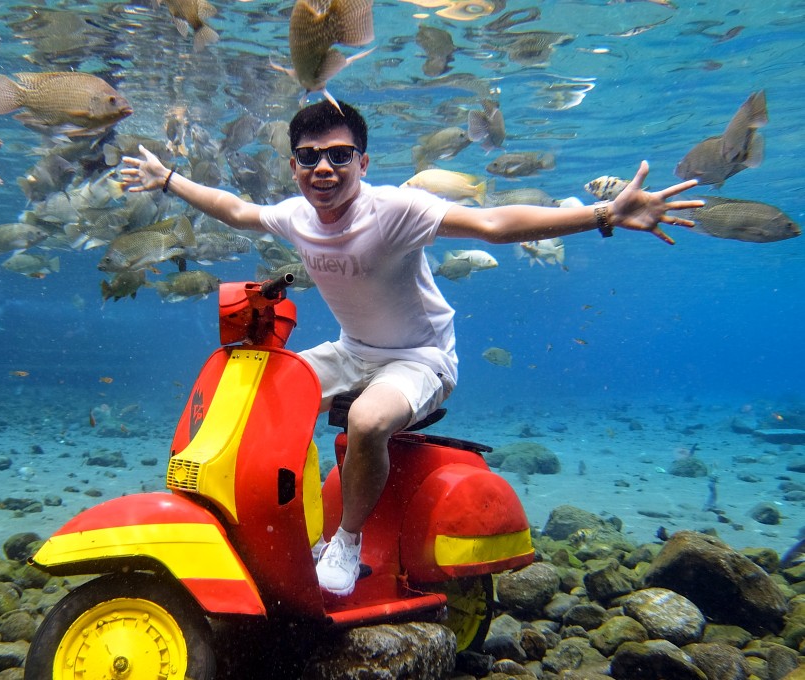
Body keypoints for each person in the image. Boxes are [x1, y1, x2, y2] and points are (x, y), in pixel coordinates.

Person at [120, 100, 703, 597]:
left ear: (363, 162)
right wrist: (169, 179)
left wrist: (603, 213)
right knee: (249, 398)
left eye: (340, 155)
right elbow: (237, 210)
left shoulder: (394, 210)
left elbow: (494, 224)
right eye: (310, 157)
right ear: (294, 166)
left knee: (370, 421)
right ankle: (256, 525)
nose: (324, 167)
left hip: (421, 357)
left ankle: (344, 543)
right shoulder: (297, 215)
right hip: (352, 350)